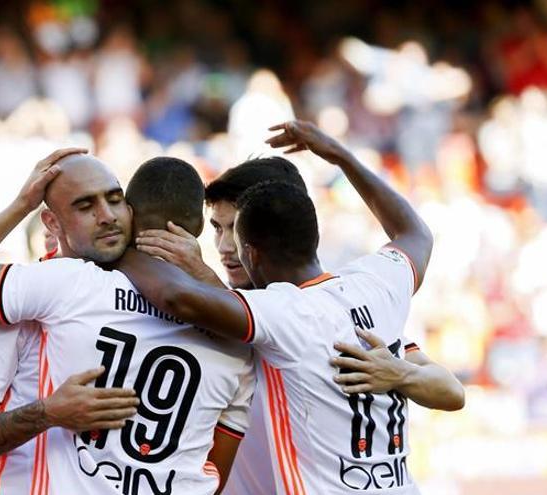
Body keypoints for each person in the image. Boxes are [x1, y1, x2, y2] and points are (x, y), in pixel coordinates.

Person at [117, 120, 463, 494]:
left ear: (256, 240)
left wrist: (114, 244)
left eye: (235, 228)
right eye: (216, 228)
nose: (224, 246)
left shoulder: (294, 312)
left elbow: (451, 390)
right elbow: (415, 235)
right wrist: (341, 156)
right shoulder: (363, 293)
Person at [0, 150, 254, 494]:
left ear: (133, 210)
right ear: (51, 223)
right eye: (85, 206)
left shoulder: (67, 285)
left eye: (114, 200)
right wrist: (47, 413)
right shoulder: (240, 334)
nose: (107, 216)